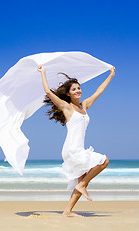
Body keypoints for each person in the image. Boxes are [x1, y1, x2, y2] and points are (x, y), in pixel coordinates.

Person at [37, 64, 115, 217]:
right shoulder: (66, 107)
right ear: (68, 93)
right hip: (72, 149)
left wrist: (111, 75)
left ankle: (68, 211)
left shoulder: (84, 106)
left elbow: (99, 91)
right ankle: (82, 185)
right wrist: (43, 72)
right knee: (103, 161)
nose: (78, 91)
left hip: (79, 148)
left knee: (81, 180)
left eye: (79, 88)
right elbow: (47, 91)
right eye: (74, 89)